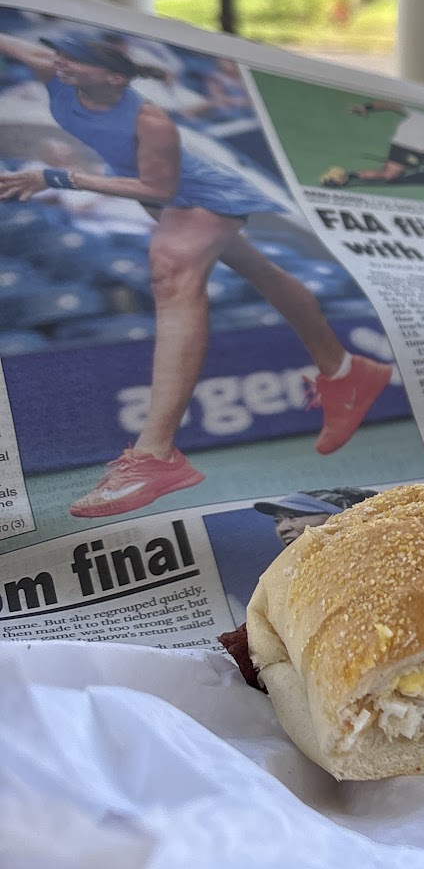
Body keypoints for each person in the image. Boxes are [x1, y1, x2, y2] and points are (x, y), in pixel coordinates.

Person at [0, 28, 392, 519]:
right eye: (62, 59)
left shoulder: (151, 120)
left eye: (75, 60)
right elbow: (25, 48)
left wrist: (54, 177)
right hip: (152, 191)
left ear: (112, 77)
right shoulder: (58, 77)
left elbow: (157, 186)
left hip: (193, 190)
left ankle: (155, 455)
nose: (63, 64)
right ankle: (345, 371)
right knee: (262, 271)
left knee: (172, 275)